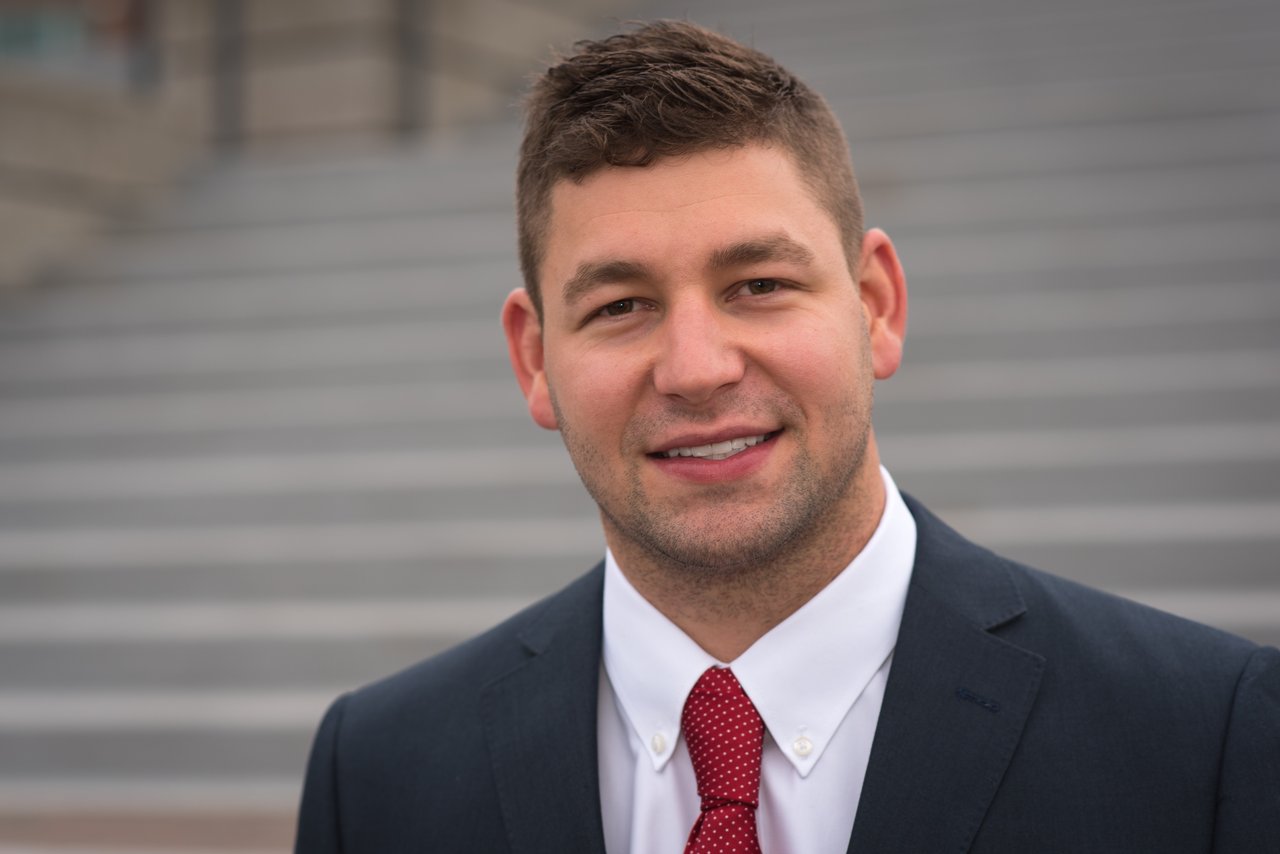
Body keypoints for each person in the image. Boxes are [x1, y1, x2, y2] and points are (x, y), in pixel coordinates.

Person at [294, 20, 1279, 853]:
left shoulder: (1207, 737)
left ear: (875, 305)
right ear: (533, 359)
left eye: (758, 284)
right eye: (621, 305)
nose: (695, 368)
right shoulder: (377, 772)